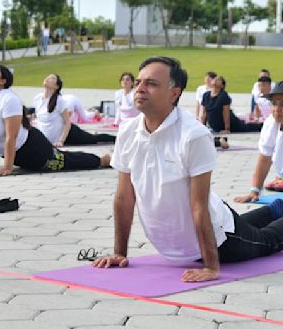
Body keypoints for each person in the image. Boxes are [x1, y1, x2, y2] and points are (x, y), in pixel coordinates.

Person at [92, 56, 283, 282]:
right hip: (193, 236)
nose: (140, 88)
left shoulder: (193, 135)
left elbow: (198, 205)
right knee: (247, 224)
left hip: (222, 242)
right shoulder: (127, 131)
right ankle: (277, 207)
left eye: (151, 84)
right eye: (139, 82)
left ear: (174, 93)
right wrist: (119, 253)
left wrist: (212, 266)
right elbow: (124, 197)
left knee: (266, 238)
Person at [0, 65, 110, 176]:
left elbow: (11, 136)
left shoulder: (9, 99)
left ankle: (102, 160)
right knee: (63, 156)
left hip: (33, 148)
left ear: (3, 81)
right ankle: (99, 158)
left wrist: (7, 168)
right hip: (14, 155)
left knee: (65, 162)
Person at [33, 74, 115, 146]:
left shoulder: (59, 101)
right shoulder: (37, 98)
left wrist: (61, 141)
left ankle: (116, 139)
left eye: (52, 78)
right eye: (48, 77)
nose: (47, 79)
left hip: (70, 134)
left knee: (93, 139)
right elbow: (40, 122)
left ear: (56, 86)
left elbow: (67, 123)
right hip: (49, 140)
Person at [235, 81, 283, 201]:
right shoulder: (271, 124)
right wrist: (254, 191)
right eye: (274, 103)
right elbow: (265, 159)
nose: (277, 109)